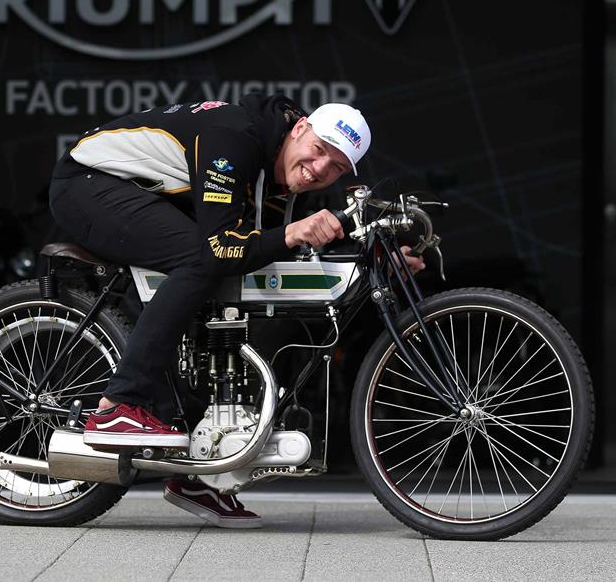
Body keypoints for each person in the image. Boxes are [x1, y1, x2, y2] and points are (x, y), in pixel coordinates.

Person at [49, 93, 424, 528]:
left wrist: (371, 257)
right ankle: (118, 405)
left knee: (233, 289)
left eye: (337, 167)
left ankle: (197, 472)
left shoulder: (276, 169)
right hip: (89, 183)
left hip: (143, 195)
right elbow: (222, 246)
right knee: (200, 261)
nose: (321, 169)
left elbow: (271, 249)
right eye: (320, 151)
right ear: (299, 128)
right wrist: (291, 233)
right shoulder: (235, 137)